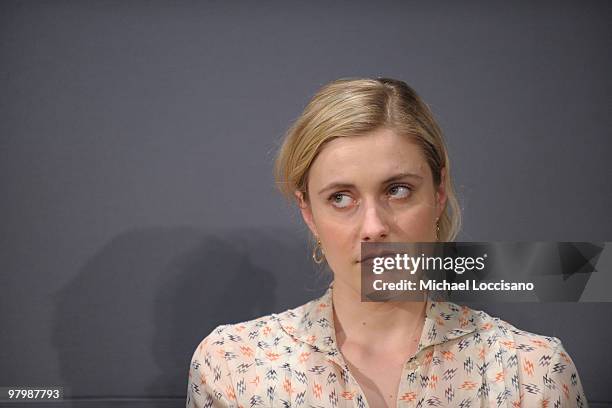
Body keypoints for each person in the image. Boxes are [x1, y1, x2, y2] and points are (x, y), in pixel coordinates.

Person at [186, 77, 587, 407]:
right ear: (308, 211)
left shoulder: (533, 371)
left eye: (397, 190)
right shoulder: (234, 365)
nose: (373, 227)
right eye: (341, 198)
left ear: (439, 191)